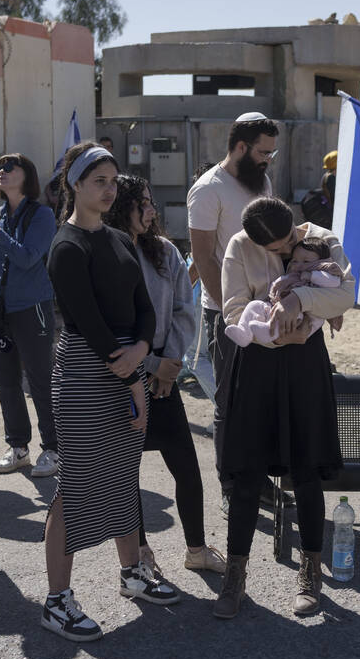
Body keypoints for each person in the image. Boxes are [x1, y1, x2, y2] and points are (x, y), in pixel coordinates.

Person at [41, 142, 180, 643]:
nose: (108, 189)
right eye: (98, 180)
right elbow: (87, 321)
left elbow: (144, 307)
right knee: (76, 484)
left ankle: (133, 573)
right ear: (75, 184)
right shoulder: (66, 245)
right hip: (85, 368)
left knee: (123, 472)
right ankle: (57, 600)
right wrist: (133, 379)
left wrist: (141, 350)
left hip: (127, 361)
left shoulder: (120, 239)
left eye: (113, 180)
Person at [213, 197, 355, 619]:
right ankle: (234, 576)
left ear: (295, 225)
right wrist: (276, 337)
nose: (284, 251)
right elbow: (233, 311)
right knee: (246, 475)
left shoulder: (322, 238)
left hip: (304, 365)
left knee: (307, 471)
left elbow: (345, 295)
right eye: (273, 249)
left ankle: (311, 572)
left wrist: (301, 300)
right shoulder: (239, 247)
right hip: (257, 363)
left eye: (288, 241)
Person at [104, 175, 226, 576]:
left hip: (165, 379)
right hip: (123, 379)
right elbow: (108, 327)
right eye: (143, 203)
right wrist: (152, 366)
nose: (152, 211)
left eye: (151, 202)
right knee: (126, 477)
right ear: (123, 207)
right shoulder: (104, 254)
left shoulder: (166, 253)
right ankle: (139, 553)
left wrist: (170, 366)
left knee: (187, 469)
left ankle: (196, 549)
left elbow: (183, 311)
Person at [187, 112, 279, 509]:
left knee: (262, 401)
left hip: (265, 313)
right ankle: (231, 486)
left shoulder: (262, 183)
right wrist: (229, 312)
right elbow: (204, 257)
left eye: (271, 153)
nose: (267, 160)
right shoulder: (207, 191)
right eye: (262, 152)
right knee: (230, 404)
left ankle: (259, 480)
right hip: (227, 315)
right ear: (240, 147)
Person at [0, 154, 59, 477]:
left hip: (32, 308)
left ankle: (53, 448)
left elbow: (26, 258)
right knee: (6, 382)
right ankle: (18, 447)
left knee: (40, 380)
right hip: (0, 312)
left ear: (27, 175)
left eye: (10, 168)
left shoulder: (42, 216)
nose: (1, 173)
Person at [225, 238, 342, 347]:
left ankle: (268, 331)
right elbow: (280, 283)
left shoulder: (325, 273)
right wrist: (276, 289)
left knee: (290, 314)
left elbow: (334, 283)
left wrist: (311, 276)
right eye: (295, 261)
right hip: (278, 306)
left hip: (305, 317)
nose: (299, 265)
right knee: (254, 305)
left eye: (306, 261)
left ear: (321, 262)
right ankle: (244, 332)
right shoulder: (293, 276)